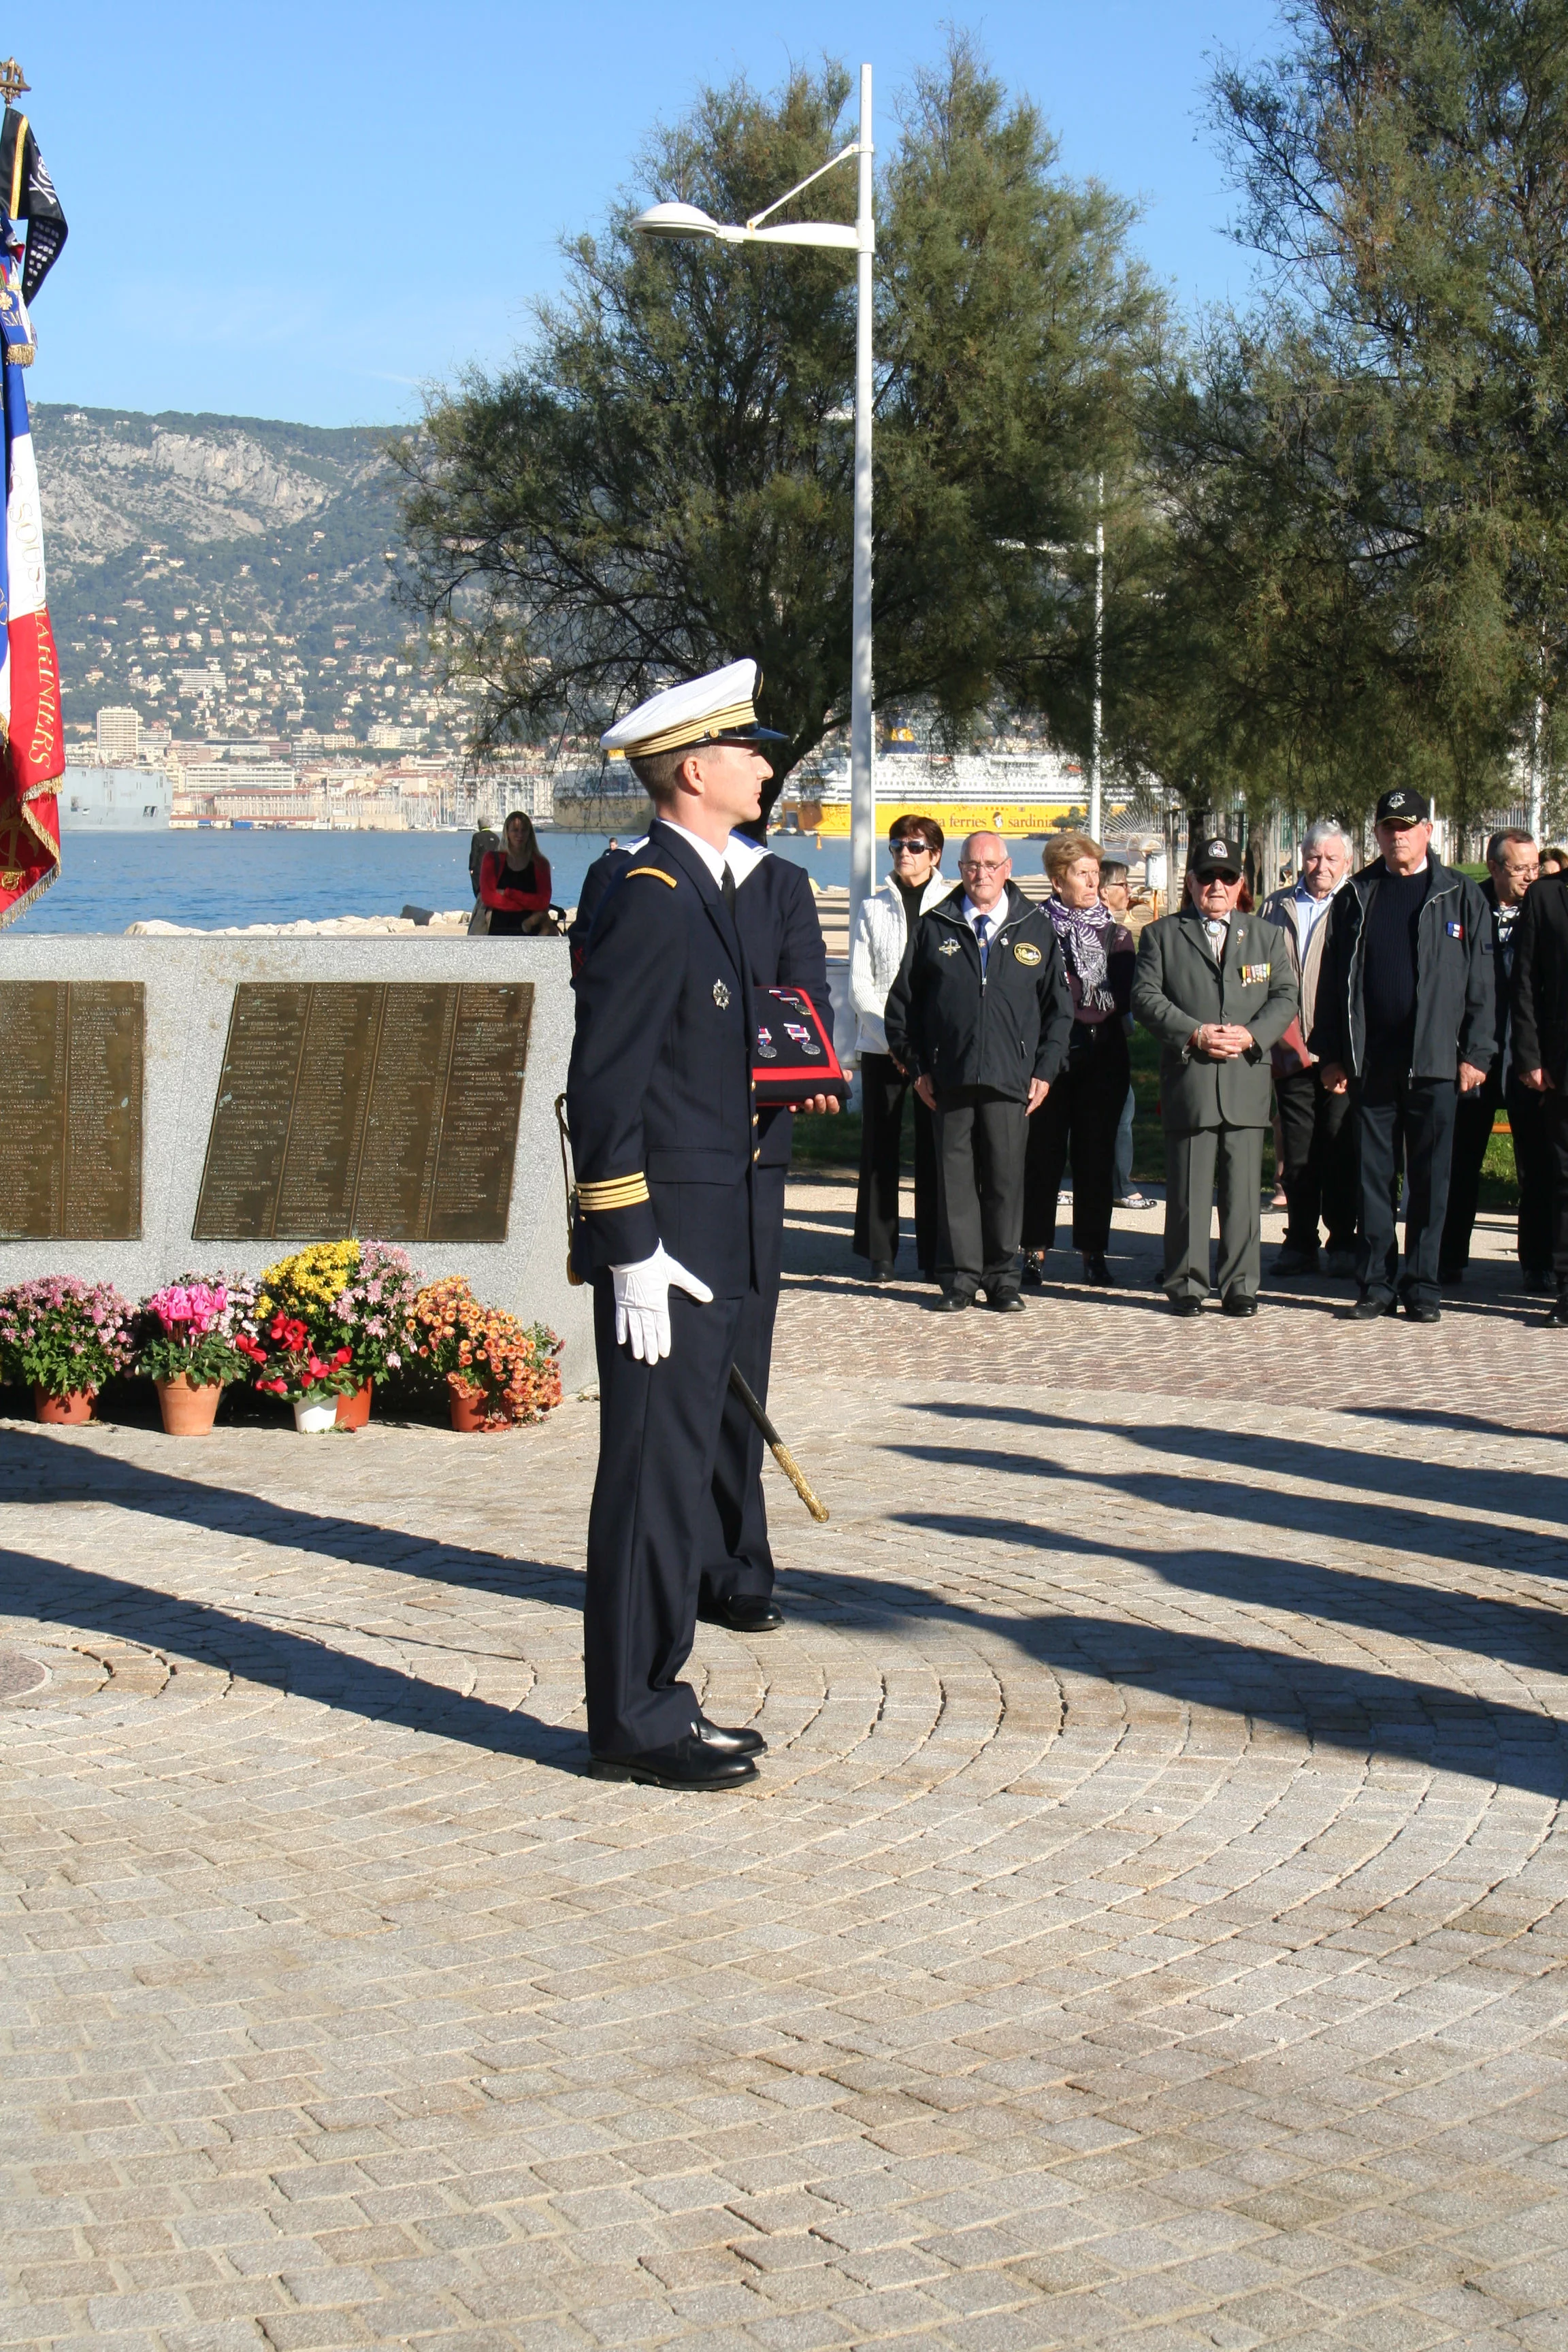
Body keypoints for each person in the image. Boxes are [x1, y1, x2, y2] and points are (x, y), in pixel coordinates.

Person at [567, 657, 785, 1791]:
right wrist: (630, 1249)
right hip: (667, 1245)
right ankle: (634, 1717)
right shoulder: (651, 895)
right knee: (650, 1474)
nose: (764, 763)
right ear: (695, 769)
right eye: (748, 748)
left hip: (709, 1232)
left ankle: (655, 1692)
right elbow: (603, 1089)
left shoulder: (701, 887)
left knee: (677, 1465)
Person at [697, 789, 837, 1637]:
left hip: (751, 1159)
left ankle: (738, 1561)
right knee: (663, 1382)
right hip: (658, 1163)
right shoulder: (631, 876)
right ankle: (663, 1563)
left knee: (741, 1363)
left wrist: (803, 1068)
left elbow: (801, 1000)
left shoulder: (781, 886)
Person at [1311, 787, 1493, 1324]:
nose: (1398, 836)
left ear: (1428, 832)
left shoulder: (1460, 895)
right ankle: (1376, 1282)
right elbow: (1331, 985)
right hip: (1372, 1063)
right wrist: (1332, 1054)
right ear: (1378, 834)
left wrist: (1477, 1052)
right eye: (1389, 828)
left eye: (1408, 827)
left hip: (1437, 1061)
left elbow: (1483, 984)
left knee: (1432, 1181)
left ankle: (1423, 1284)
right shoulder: (1356, 895)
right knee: (1373, 1177)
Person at [884, 831, 1072, 1310]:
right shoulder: (935, 926)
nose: (981, 874)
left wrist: (1046, 1070)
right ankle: (960, 1278)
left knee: (1007, 1182)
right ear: (960, 868)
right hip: (949, 1079)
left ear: (1007, 869)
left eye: (990, 865)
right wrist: (918, 1066)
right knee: (956, 1184)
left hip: (1013, 1080)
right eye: (971, 865)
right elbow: (902, 1007)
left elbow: (1058, 1011)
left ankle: (1004, 1277)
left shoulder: (1035, 927)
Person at [1132, 834, 1298, 1316]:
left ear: (1241, 883)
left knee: (1244, 1193)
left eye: (1227, 877)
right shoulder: (1163, 935)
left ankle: (1241, 1284)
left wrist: (1251, 1036)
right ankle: (1186, 1284)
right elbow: (1145, 998)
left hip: (1245, 1077)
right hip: (1192, 1077)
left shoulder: (1264, 936)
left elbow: (1285, 995)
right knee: (1187, 1192)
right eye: (1207, 877)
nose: (1217, 886)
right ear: (1191, 882)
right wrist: (1194, 1033)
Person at [1020, 833, 1137, 1286]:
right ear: (1057, 880)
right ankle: (1034, 1250)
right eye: (1082, 874)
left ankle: (1094, 1251)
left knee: (1095, 1154)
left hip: (1103, 1051)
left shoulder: (1117, 934)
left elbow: (1122, 996)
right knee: (1042, 1154)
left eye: (1096, 873)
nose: (1093, 883)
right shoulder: (1035, 929)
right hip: (1051, 1052)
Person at [1441, 828, 1546, 1287]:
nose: (1529, 877)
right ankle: (1447, 1260)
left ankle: (1538, 1263)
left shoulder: (1545, 908)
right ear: (1495, 868)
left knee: (1536, 1167)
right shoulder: (1468, 904)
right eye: (1519, 869)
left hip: (1527, 1059)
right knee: (1460, 1163)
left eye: (1534, 867)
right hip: (1473, 1058)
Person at [847, 815, 950, 1283]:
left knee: (936, 1149)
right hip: (881, 1044)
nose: (904, 854)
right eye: (896, 847)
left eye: (914, 846)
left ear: (935, 854)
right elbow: (860, 985)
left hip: (937, 1047)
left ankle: (934, 1252)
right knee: (879, 1148)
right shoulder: (871, 908)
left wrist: (921, 1045)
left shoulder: (953, 904)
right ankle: (880, 1252)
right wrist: (894, 1041)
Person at [1260, 819, 1357, 1276]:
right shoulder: (1276, 907)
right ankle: (1300, 1241)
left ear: (1347, 863)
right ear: (1301, 858)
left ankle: (1342, 1240)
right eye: (1314, 857)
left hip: (1340, 1051)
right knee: (1297, 1152)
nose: (1321, 867)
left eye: (1331, 859)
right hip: (1289, 1050)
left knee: (1339, 1148)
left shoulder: (1357, 904)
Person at [1509, 861, 1568, 1324]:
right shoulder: (1546, 897)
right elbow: (1525, 982)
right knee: (1563, 1181)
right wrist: (1530, 1056)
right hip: (1561, 1068)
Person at [1097, 861, 1154, 1211]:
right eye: (1124, 884)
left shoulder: (1117, 932)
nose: (1129, 891)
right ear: (1104, 890)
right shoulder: (1110, 936)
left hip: (1110, 1031)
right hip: (1101, 1033)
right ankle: (1121, 1183)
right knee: (1121, 1110)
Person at [478, 811, 555, 934]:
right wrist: (524, 905)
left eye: (524, 830)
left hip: (532, 932)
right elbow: (488, 897)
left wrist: (509, 893)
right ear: (507, 832)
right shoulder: (492, 860)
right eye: (515, 830)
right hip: (498, 931)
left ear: (530, 833)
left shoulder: (541, 864)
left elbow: (543, 901)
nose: (520, 835)